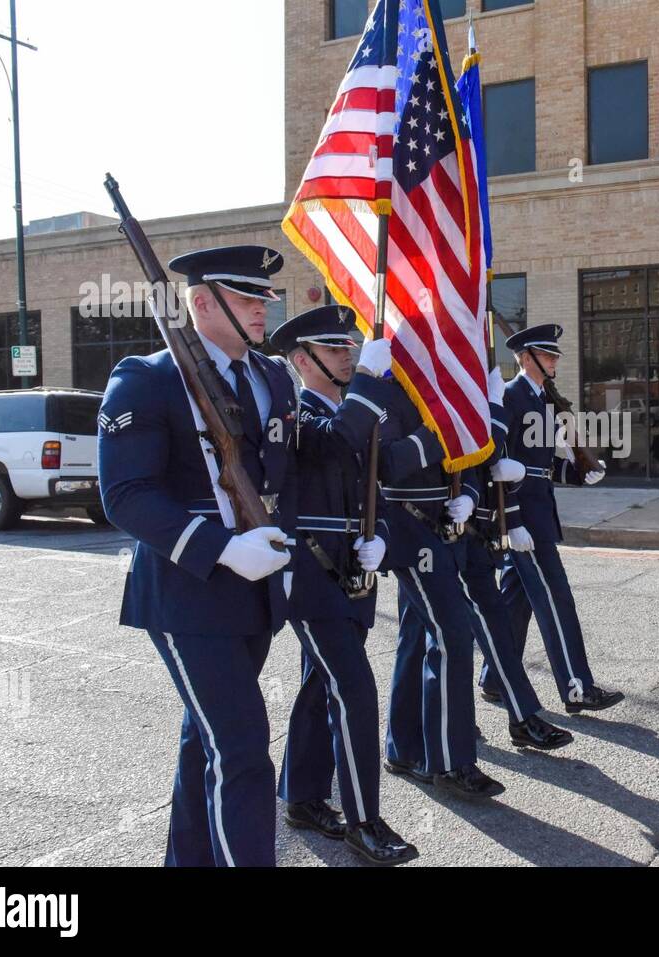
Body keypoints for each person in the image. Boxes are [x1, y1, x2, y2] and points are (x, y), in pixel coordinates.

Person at [98, 245, 297, 867]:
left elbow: (287, 468)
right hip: (188, 591)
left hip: (257, 588)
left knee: (205, 740)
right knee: (240, 747)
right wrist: (220, 548)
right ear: (202, 303)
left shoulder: (271, 377)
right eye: (246, 299)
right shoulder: (148, 378)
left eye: (264, 298)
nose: (263, 310)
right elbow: (126, 495)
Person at [267, 305, 417, 865]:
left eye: (350, 347)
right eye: (334, 350)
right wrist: (371, 386)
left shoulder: (351, 410)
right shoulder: (296, 414)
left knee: (318, 685)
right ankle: (363, 819)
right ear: (303, 360)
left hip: (353, 570)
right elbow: (337, 442)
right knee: (354, 687)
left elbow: (372, 479)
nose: (348, 355)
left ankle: (302, 797)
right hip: (311, 573)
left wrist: (378, 536)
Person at [481, 324, 624, 714]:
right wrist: (511, 520)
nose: (554, 360)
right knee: (557, 599)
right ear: (525, 359)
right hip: (524, 518)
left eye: (555, 355)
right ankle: (577, 686)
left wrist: (579, 471)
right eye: (547, 356)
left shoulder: (543, 398)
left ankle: (494, 677)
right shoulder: (511, 397)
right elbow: (498, 466)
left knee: (516, 601)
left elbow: (540, 467)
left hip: (538, 511)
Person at [379, 366, 507, 800]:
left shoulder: (441, 389)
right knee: (452, 634)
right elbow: (386, 464)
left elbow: (467, 455)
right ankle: (451, 762)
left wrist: (469, 493)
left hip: (443, 531)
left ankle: (403, 747)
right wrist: (438, 432)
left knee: (415, 638)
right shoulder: (388, 393)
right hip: (409, 531)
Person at [459, 367, 574, 751]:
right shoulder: (505, 396)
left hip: (479, 528)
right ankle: (421, 737)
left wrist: (508, 517)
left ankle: (519, 716)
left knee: (497, 620)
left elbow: (495, 459)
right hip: (435, 532)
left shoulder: (513, 398)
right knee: (432, 641)